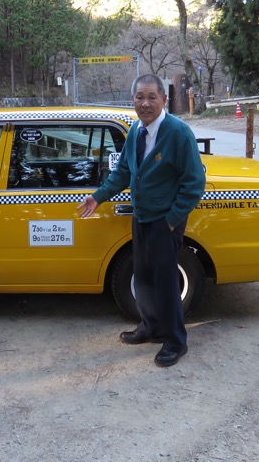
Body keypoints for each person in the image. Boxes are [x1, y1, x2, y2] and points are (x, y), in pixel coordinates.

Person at [77, 74, 206, 367]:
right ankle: (150, 327)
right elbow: (123, 171)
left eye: (151, 97)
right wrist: (98, 196)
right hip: (141, 217)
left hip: (164, 221)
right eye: (139, 97)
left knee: (165, 283)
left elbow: (194, 183)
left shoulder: (178, 132)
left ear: (163, 99)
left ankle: (175, 340)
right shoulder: (136, 129)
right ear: (132, 100)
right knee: (144, 277)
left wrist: (172, 221)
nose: (145, 103)